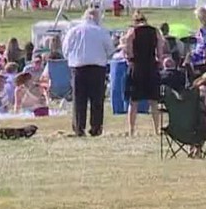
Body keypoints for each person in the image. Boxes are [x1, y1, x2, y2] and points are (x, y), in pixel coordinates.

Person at [62, 8, 114, 136]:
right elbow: (110, 50)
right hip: (97, 68)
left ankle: (79, 127)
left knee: (79, 99)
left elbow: (65, 49)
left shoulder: (73, 31)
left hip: (78, 67)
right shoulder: (101, 31)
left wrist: (72, 58)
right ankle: (96, 127)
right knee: (97, 100)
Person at [121, 12, 165, 135]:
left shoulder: (132, 31)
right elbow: (160, 50)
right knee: (154, 101)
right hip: (151, 66)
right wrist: (160, 62)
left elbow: (127, 48)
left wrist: (130, 59)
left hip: (137, 67)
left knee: (134, 101)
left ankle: (131, 130)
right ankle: (156, 129)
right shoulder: (155, 31)